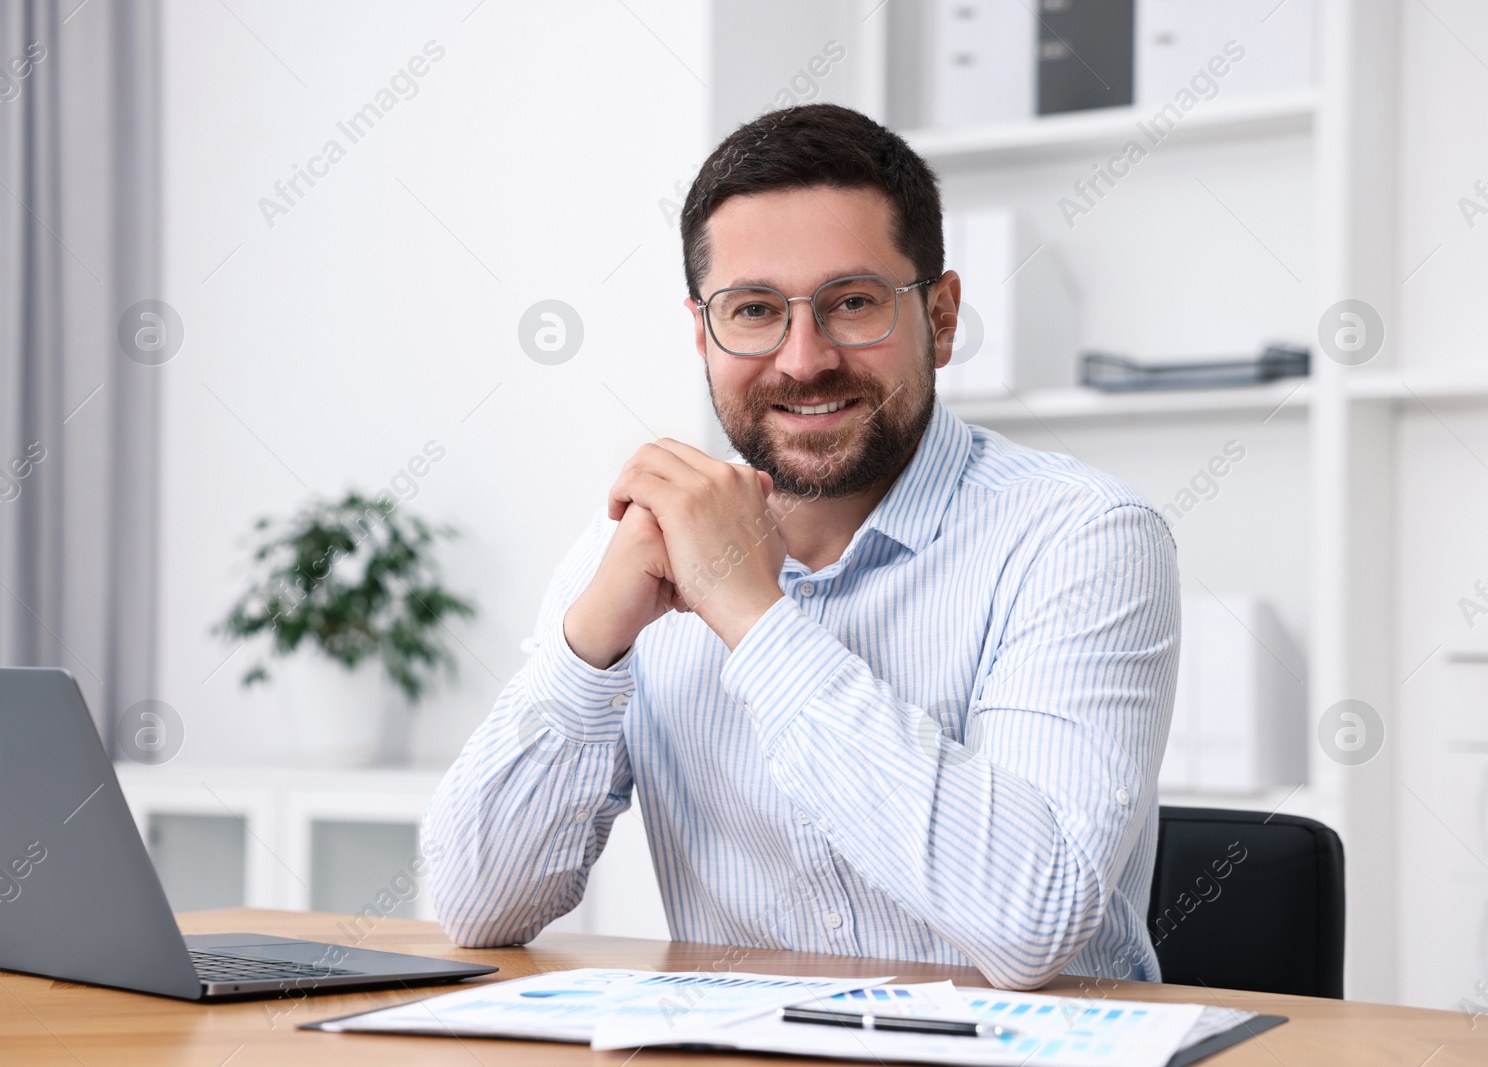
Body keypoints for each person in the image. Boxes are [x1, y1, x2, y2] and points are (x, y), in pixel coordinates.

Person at [421, 103, 1180, 989]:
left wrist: (752, 613)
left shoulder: (1081, 537)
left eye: (852, 303)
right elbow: (478, 906)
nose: (802, 358)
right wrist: (589, 647)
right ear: (703, 332)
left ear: (941, 317)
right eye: (753, 311)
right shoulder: (635, 545)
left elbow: (1031, 921)